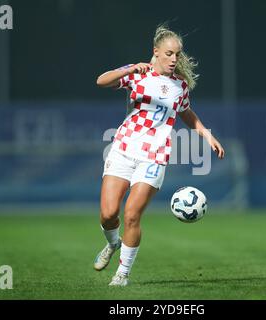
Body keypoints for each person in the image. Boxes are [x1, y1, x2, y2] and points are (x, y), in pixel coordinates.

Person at [94, 24, 225, 286]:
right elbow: (101, 81)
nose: (174, 59)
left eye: (177, 54)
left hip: (154, 156)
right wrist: (129, 69)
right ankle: (112, 243)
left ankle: (122, 274)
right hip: (123, 148)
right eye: (169, 54)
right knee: (108, 214)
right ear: (156, 52)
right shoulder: (137, 74)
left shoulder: (180, 86)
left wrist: (207, 135)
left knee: (132, 214)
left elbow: (186, 113)